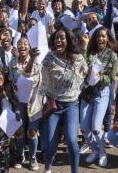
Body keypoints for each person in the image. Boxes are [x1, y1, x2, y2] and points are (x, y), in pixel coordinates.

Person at [36, 27, 87, 173]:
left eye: (62, 38)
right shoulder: (49, 58)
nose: (59, 40)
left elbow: (85, 75)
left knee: (72, 141)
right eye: (57, 38)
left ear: (68, 40)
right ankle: (47, 168)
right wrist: (41, 99)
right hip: (54, 105)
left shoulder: (78, 59)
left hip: (71, 104)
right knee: (51, 145)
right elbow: (43, 80)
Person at [80, 27, 118, 167]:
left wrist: (100, 76)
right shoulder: (90, 52)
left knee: (96, 128)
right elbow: (82, 66)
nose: (100, 39)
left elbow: (111, 78)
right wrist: (84, 46)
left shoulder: (112, 56)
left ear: (107, 38)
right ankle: (94, 149)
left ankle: (102, 152)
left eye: (103, 36)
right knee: (84, 127)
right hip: (87, 93)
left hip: (101, 94)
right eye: (98, 37)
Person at [9, 36, 42, 170]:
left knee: (32, 131)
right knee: (19, 131)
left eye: (25, 43)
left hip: (33, 103)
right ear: (16, 47)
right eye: (20, 43)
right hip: (18, 102)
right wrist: (14, 100)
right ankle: (19, 155)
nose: (22, 46)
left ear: (30, 47)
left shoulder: (37, 63)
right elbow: (10, 83)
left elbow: (38, 82)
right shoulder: (12, 63)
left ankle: (33, 157)